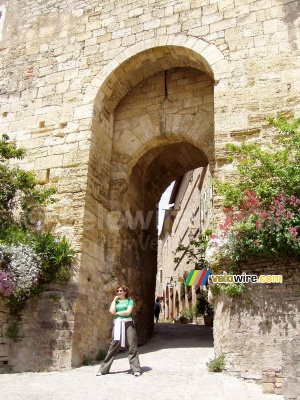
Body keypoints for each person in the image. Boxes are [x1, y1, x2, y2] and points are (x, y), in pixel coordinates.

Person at [96, 285, 142, 377]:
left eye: (121, 291)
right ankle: (103, 369)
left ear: (125, 292)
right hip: (117, 324)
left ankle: (135, 369)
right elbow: (111, 311)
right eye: (118, 291)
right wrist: (114, 300)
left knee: (132, 344)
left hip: (128, 323)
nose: (119, 292)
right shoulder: (115, 302)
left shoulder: (130, 301)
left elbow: (128, 312)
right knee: (113, 345)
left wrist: (117, 313)